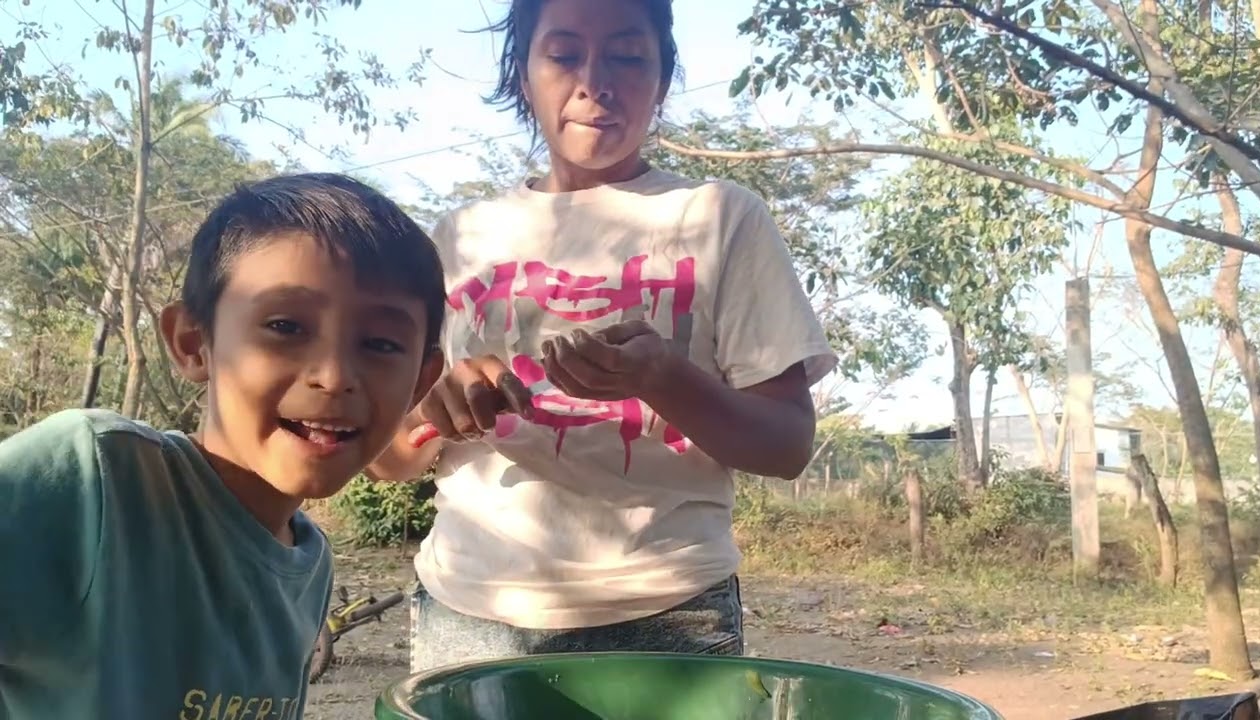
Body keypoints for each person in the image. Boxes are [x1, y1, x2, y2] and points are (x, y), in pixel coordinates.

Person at [367, 0, 836, 672]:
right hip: (467, 612)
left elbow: (787, 444)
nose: (595, 82)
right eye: (562, 55)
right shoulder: (459, 236)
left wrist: (663, 379)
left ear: (663, 79)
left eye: (627, 54)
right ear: (523, 76)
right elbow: (387, 460)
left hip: (669, 611)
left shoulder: (720, 216)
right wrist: (435, 412)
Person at [0, 173, 445, 719]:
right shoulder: (94, 480)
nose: (333, 376)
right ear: (193, 344)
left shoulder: (308, 561)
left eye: (380, 343)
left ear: (422, 382)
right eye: (285, 326)